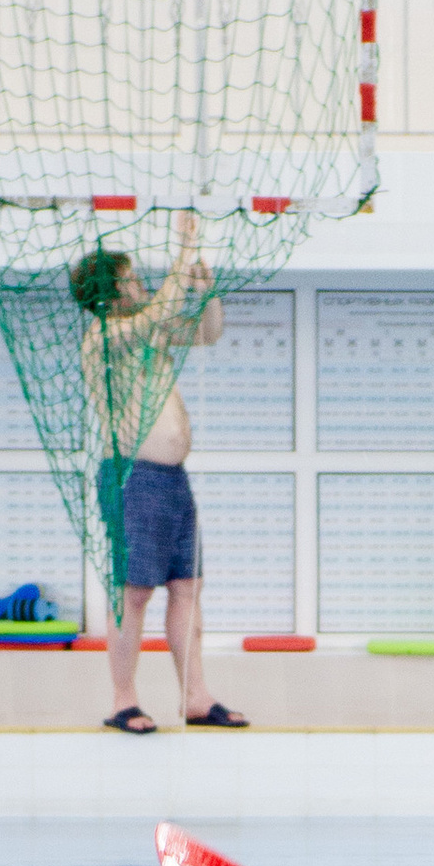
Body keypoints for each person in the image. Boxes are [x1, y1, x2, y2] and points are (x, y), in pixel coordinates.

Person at [75, 214, 247, 736]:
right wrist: (185, 248)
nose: (140, 286)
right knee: (134, 593)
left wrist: (206, 288)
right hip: (133, 478)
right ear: (109, 295)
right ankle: (123, 701)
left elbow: (207, 331)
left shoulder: (147, 331)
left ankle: (196, 697)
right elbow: (164, 310)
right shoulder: (106, 336)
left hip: (173, 480)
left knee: (187, 586)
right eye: (131, 280)